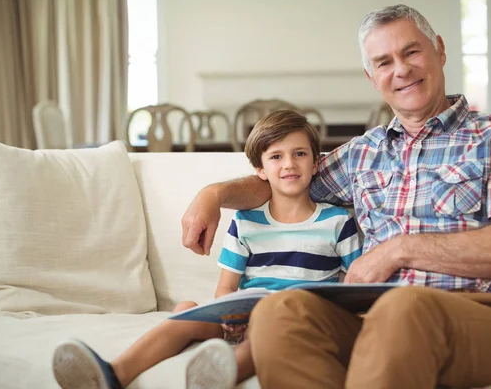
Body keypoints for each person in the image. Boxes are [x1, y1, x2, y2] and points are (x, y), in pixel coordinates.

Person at [181, 4, 491, 389]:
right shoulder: (362, 153)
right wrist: (214, 193)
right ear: (372, 77)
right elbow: (284, 180)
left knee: (404, 305)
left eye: (411, 52)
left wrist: (397, 250)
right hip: (374, 322)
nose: (401, 70)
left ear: (439, 50)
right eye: (384, 62)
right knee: (282, 310)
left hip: (489, 320)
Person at [51, 110, 362, 389]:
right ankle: (114, 373)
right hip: (244, 320)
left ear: (316, 162)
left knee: (275, 331)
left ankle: (221, 374)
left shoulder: (337, 221)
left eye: (299, 154)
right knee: (186, 308)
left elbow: (355, 284)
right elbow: (226, 287)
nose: (290, 164)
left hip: (295, 324)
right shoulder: (245, 222)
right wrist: (231, 315)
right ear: (260, 169)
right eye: (276, 157)